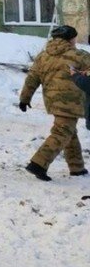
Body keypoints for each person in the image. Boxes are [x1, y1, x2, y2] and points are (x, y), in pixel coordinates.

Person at [18, 25, 90, 181]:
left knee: (68, 131)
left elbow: (32, 79)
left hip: (52, 101)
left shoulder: (43, 56)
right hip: (71, 102)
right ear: (71, 39)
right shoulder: (80, 55)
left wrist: (25, 99)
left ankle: (77, 168)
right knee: (62, 132)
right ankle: (38, 163)